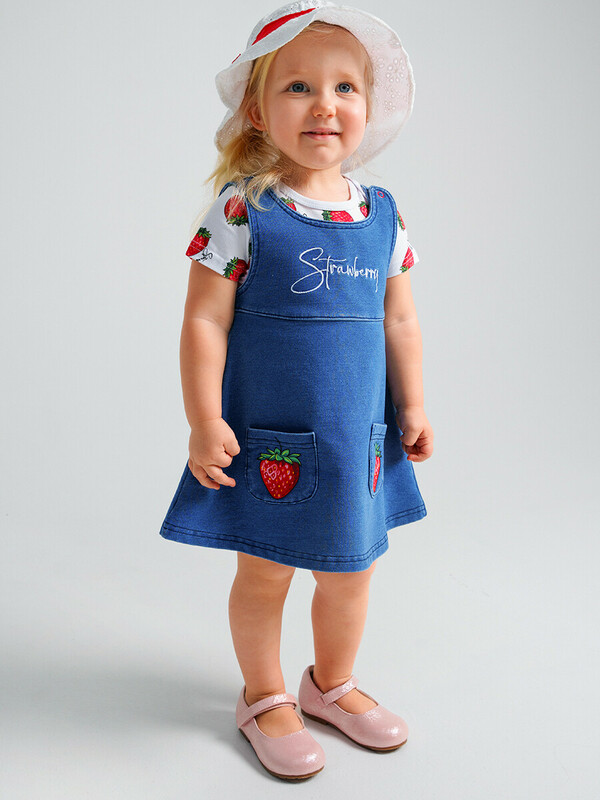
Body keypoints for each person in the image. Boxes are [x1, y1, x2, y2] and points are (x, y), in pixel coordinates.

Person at [159, 0, 434, 781]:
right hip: (272, 436)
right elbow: (204, 320)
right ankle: (264, 695)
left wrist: (413, 404)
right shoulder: (244, 210)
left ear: (369, 108)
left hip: (355, 438)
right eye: (299, 87)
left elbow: (400, 319)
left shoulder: (383, 214)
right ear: (257, 109)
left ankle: (330, 684)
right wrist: (203, 418)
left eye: (345, 87)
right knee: (266, 571)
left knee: (352, 570)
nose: (324, 105)